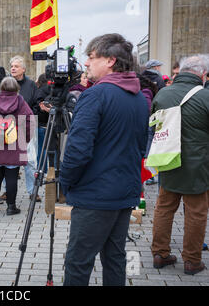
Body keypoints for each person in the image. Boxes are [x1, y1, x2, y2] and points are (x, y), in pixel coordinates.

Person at [59, 34, 149, 286]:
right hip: (124, 192)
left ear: (110, 61)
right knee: (114, 258)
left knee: (78, 262)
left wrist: (66, 183)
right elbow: (141, 147)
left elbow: (78, 150)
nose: (86, 63)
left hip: (95, 196)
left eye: (91, 57)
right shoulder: (140, 98)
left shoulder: (95, 96)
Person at [150, 54, 209, 276]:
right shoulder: (205, 97)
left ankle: (160, 253)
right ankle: (192, 260)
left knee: (164, 207)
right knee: (196, 213)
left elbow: (156, 124)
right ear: (202, 74)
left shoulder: (163, 93)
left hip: (168, 159)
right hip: (198, 165)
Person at [0, 76, 34, 215]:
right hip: (15, 144)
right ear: (16, 88)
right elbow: (29, 122)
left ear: (2, 87)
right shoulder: (21, 102)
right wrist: (25, 139)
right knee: (12, 176)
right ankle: (11, 207)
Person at [9, 55, 38, 201]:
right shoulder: (6, 83)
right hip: (8, 128)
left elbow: (36, 103)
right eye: (12, 66)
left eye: (16, 66)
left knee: (30, 161)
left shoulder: (31, 84)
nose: (13, 68)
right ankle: (6, 191)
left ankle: (33, 191)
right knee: (7, 161)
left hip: (26, 126)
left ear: (23, 69)